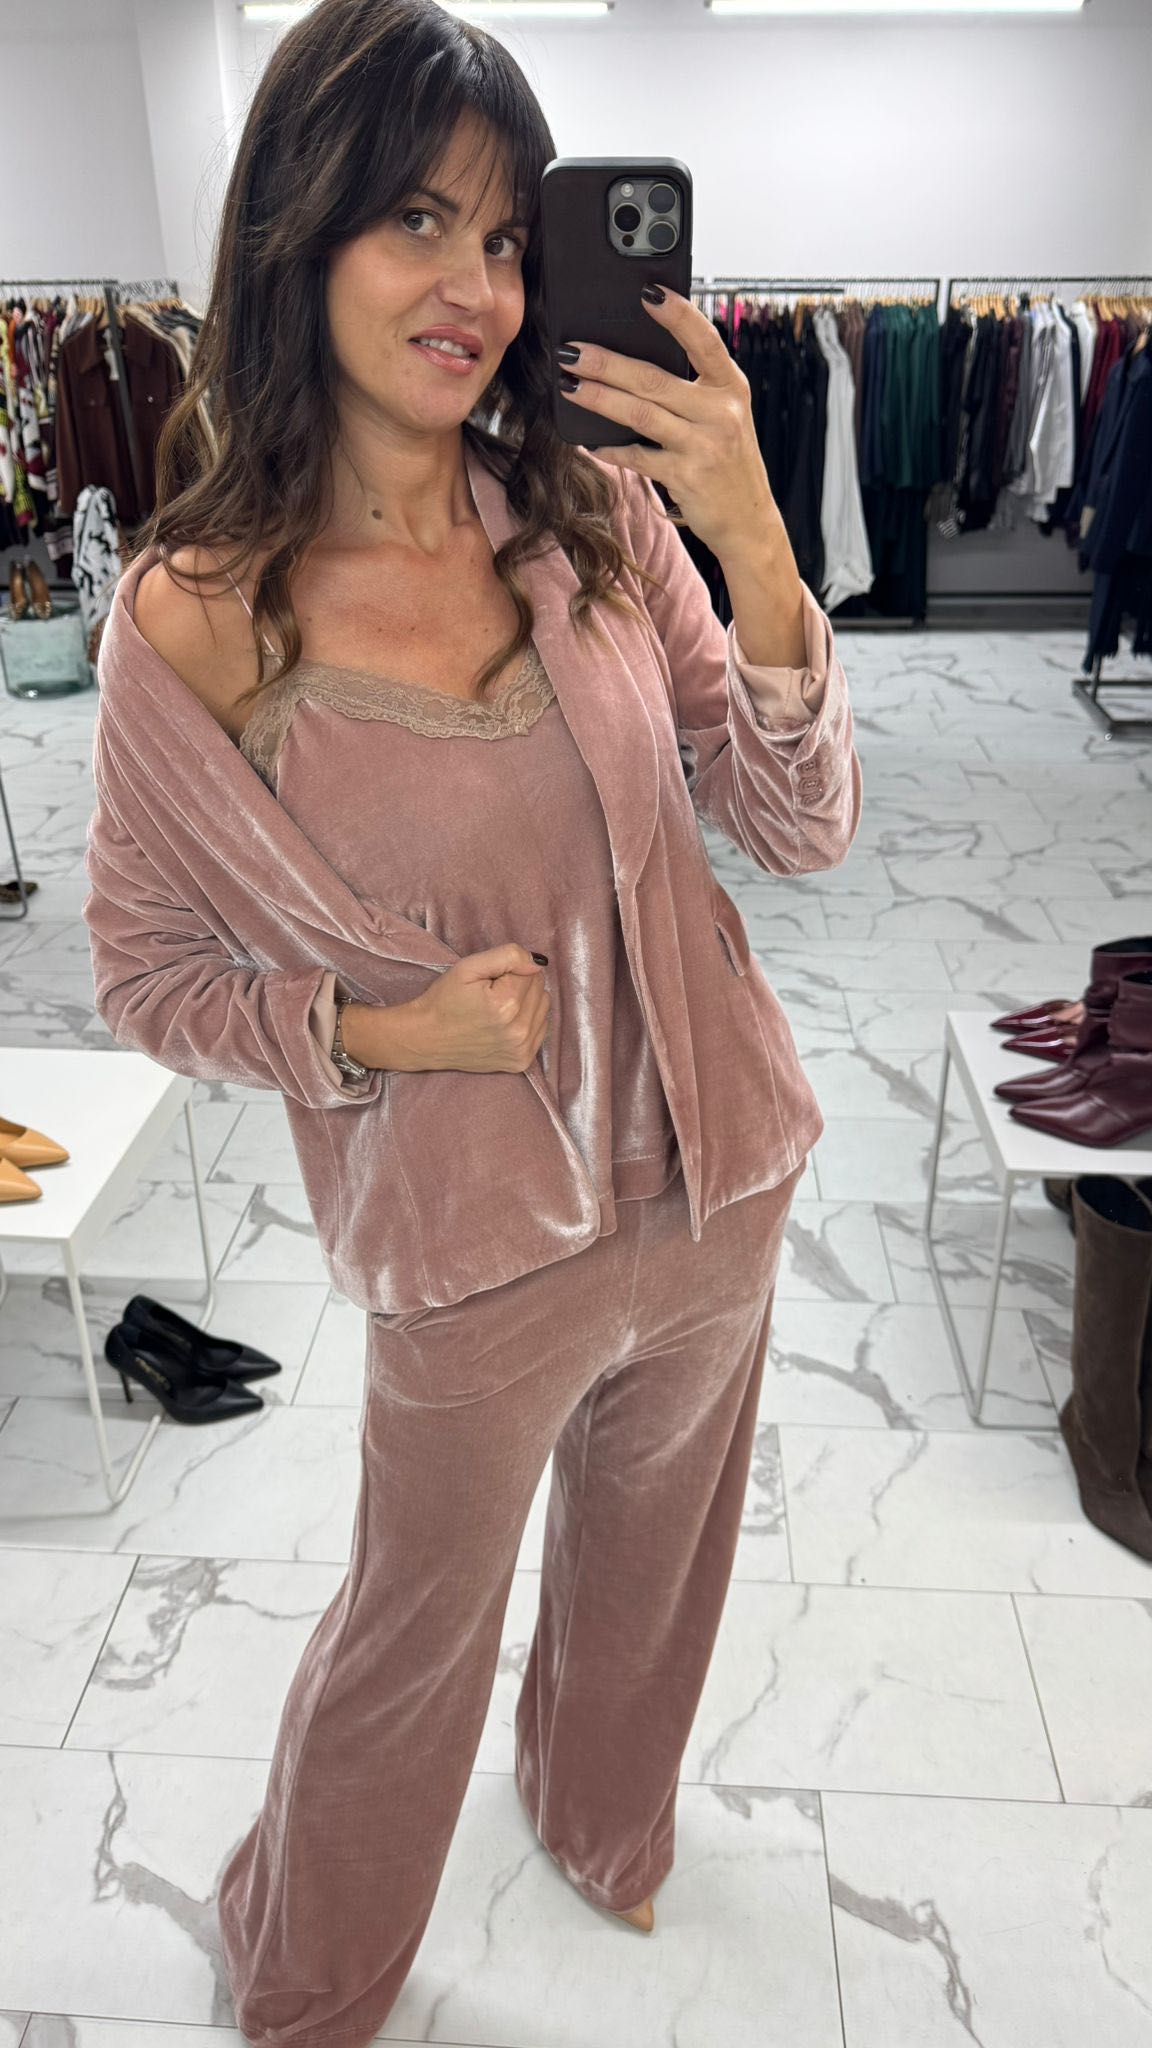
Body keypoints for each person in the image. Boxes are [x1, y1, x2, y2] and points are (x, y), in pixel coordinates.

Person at [114, 2, 862, 2041]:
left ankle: (604, 1825)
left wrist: (755, 537)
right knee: (404, 1647)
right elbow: (146, 971)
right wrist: (387, 1036)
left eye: (508, 236)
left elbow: (798, 827)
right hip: (471, 1257)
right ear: (301, 232)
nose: (478, 287)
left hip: (721, 1186)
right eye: (417, 223)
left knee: (655, 1569)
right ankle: (311, 1978)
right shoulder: (204, 609)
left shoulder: (594, 519)